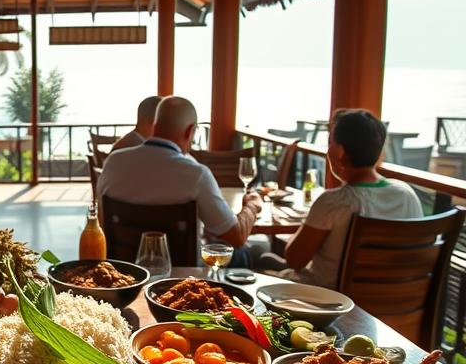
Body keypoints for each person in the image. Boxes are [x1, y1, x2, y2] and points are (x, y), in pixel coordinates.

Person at [257, 109, 422, 288]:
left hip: (334, 304)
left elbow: (295, 259)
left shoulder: (334, 202)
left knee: (258, 268)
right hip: (396, 303)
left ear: (340, 151)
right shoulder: (407, 195)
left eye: (330, 143)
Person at [97, 96, 262, 248]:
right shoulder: (196, 174)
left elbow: (101, 222)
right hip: (184, 276)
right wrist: (252, 205)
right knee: (248, 252)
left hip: (128, 273)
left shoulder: (113, 162)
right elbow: (236, 237)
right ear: (190, 131)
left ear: (154, 127)